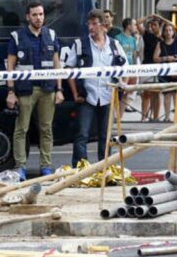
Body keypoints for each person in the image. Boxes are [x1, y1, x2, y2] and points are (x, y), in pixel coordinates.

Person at [6, 1, 64, 180]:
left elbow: (57, 64)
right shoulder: (17, 37)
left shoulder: (51, 35)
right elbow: (10, 66)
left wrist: (59, 89)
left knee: (46, 129)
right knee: (21, 129)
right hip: (25, 90)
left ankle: (45, 167)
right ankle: (20, 167)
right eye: (35, 15)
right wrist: (10, 91)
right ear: (27, 17)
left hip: (48, 89)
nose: (39, 18)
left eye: (41, 14)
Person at [65, 9, 127, 165]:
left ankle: (105, 166)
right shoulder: (80, 44)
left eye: (94, 24)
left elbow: (125, 67)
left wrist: (121, 86)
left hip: (107, 96)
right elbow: (69, 69)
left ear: (103, 26)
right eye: (89, 24)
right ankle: (80, 168)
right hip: (87, 96)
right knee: (82, 135)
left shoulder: (114, 45)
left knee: (106, 136)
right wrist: (74, 93)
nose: (90, 27)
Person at [154, 22, 177, 122]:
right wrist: (165, 58)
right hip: (165, 72)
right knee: (167, 94)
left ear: (173, 32)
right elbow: (155, 58)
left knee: (176, 94)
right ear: (163, 33)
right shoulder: (160, 44)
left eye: (170, 30)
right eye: (166, 30)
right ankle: (167, 116)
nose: (168, 32)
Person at [140, 15, 163, 122]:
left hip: (159, 67)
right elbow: (137, 23)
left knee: (157, 93)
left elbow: (172, 26)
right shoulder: (147, 35)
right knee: (146, 93)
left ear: (159, 26)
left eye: (155, 25)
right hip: (147, 66)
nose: (152, 27)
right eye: (151, 25)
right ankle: (143, 117)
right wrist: (148, 16)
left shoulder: (163, 38)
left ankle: (156, 117)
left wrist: (160, 17)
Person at [114, 18, 140, 112]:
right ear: (128, 26)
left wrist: (135, 68)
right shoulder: (118, 38)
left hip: (131, 70)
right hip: (122, 70)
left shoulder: (133, 39)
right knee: (119, 94)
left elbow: (134, 54)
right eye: (134, 24)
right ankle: (113, 116)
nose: (136, 26)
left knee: (127, 95)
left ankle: (119, 118)